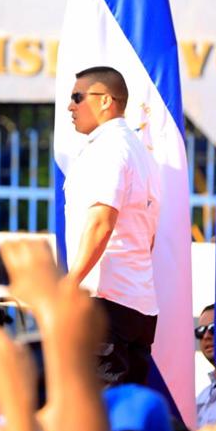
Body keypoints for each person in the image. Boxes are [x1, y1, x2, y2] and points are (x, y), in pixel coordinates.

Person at [63, 65, 161, 385]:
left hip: (106, 301)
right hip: (138, 305)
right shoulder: (139, 151)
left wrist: (70, 281)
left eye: (78, 97)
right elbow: (149, 236)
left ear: (105, 100)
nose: (70, 106)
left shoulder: (109, 148)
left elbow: (101, 222)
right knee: (126, 418)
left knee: (98, 418)